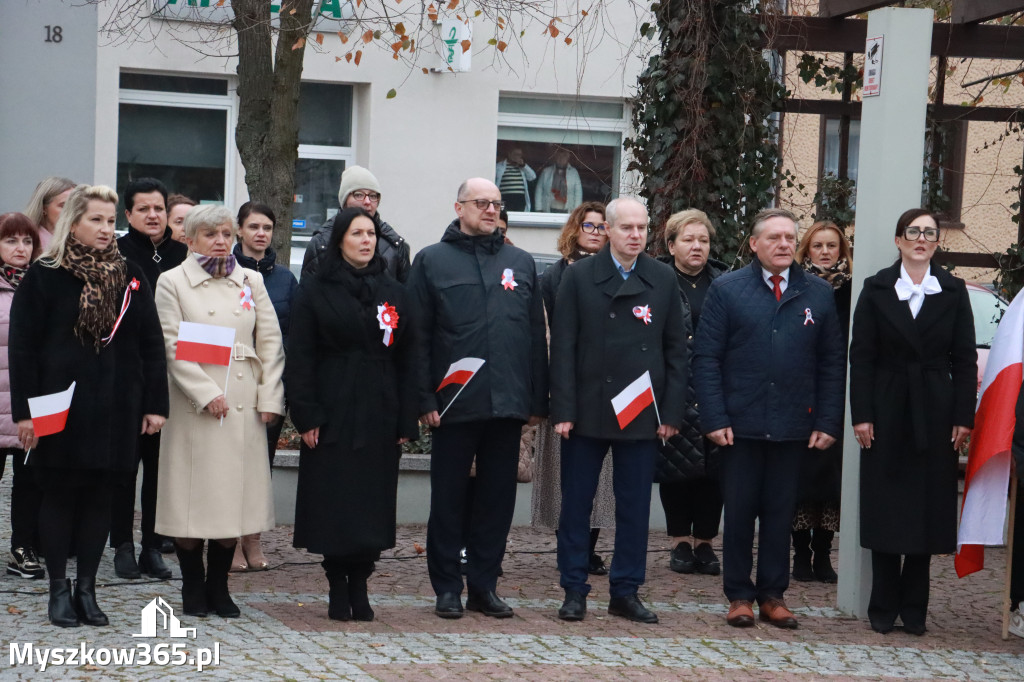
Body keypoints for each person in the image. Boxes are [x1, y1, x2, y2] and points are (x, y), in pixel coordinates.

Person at [9, 185, 168, 627]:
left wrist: (155, 404)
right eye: (94, 219)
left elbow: (151, 345)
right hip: (60, 406)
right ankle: (59, 589)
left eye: (108, 219)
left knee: (101, 498)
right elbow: (22, 348)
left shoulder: (131, 274)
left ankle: (87, 589)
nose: (104, 228)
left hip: (118, 405)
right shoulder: (46, 274)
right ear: (72, 222)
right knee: (60, 496)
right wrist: (24, 411)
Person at [693, 208, 844, 630]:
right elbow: (706, 358)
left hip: (795, 424)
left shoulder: (816, 292)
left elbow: (832, 362)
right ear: (754, 244)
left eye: (789, 237)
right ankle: (739, 595)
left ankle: (773, 596)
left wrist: (829, 420)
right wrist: (714, 416)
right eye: (774, 237)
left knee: (781, 513)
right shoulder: (727, 290)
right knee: (739, 512)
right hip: (738, 426)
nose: (783, 244)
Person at [408, 177, 547, 620]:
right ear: (459, 207)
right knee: (448, 501)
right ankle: (447, 587)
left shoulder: (521, 263)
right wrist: (424, 397)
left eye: (496, 203)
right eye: (481, 202)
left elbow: (533, 338)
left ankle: (484, 586)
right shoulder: (431, 261)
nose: (490, 209)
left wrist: (537, 400)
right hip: (453, 404)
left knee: (496, 501)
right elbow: (419, 337)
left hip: (508, 405)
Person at [550, 197, 689, 624]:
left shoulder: (663, 278)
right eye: (626, 227)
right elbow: (564, 347)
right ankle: (574, 588)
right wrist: (564, 409)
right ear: (606, 230)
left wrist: (669, 414)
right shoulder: (578, 277)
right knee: (577, 503)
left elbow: (675, 352)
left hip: (639, 407)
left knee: (634, 507)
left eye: (642, 228)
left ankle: (625, 590)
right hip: (588, 407)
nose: (635, 235)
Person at [849, 208, 976, 635]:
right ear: (899, 240)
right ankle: (882, 605)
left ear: (937, 242)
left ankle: (915, 608)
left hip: (936, 408)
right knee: (886, 505)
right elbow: (861, 358)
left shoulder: (954, 291)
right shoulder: (877, 288)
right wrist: (861, 414)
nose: (921, 239)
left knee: (926, 508)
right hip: (885, 406)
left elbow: (965, 357)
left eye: (929, 233)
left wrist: (963, 416)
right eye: (913, 232)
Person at [288, 207, 419, 622]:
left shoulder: (393, 290)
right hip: (333, 406)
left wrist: (405, 418)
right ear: (339, 239)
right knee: (334, 500)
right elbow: (301, 356)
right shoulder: (314, 288)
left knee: (371, 501)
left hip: (379, 408)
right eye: (357, 233)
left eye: (371, 234)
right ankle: (336, 583)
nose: (366, 240)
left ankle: (361, 580)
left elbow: (408, 358)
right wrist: (306, 414)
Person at [154, 204, 285, 619]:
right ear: (189, 239)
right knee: (195, 502)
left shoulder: (251, 279)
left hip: (243, 402)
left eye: (226, 233)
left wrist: (270, 398)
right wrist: (205, 392)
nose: (220, 241)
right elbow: (172, 345)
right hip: (196, 406)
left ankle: (219, 585)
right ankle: (193, 585)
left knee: (234, 502)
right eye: (210, 234)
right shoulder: (172, 282)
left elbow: (271, 342)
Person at [111, 177, 188, 581]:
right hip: (127, 374)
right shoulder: (118, 253)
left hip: (174, 374)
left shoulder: (182, 253)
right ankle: (121, 543)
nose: (153, 215)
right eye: (144, 209)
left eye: (158, 208)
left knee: (161, 469)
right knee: (125, 466)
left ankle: (152, 545)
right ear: (128, 215)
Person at [532, 201, 615, 576]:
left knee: (604, 476)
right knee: (570, 475)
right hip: (566, 386)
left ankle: (591, 547)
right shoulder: (554, 275)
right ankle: (571, 546)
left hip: (608, 388)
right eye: (589, 226)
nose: (595, 232)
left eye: (601, 226)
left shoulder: (621, 272)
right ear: (575, 230)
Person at [656, 209, 727, 576]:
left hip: (716, 385)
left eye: (703, 240)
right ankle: (680, 541)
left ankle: (706, 543)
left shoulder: (725, 281)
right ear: (671, 245)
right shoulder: (658, 280)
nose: (697, 246)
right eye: (688, 239)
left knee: (714, 470)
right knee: (676, 467)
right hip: (673, 386)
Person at [229, 201, 298, 572]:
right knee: (231, 465)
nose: (261, 234)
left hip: (270, 384)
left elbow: (292, 335)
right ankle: (229, 541)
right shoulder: (226, 272)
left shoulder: (286, 279)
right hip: (233, 381)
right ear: (239, 230)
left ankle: (252, 538)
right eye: (253, 226)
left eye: (267, 228)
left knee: (260, 468)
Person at [790, 220, 854, 583]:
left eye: (832, 246)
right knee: (800, 478)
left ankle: (823, 554)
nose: (826, 252)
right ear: (807, 251)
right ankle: (799, 554)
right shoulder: (797, 287)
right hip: (799, 391)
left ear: (842, 251)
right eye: (818, 246)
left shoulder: (853, 290)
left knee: (830, 480)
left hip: (839, 391)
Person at [0, 213, 45, 580]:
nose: (20, 248)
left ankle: (22, 548)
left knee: (30, 482)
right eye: (11, 240)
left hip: (32, 402)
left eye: (27, 241)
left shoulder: (43, 286)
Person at [302, 166, 411, 282]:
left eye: (373, 196)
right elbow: (307, 295)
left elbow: (405, 296)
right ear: (344, 200)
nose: (367, 202)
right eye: (359, 195)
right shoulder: (322, 243)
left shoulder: (394, 244)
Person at [23, 176, 75, 250]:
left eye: (74, 206)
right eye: (63, 206)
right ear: (44, 208)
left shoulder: (80, 242)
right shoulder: (28, 243)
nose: (71, 211)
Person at [534, 148, 583, 214]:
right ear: (555, 157)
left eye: (564, 156)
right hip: (549, 208)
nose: (561, 158)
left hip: (568, 209)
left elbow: (578, 193)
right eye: (559, 156)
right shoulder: (546, 171)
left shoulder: (573, 172)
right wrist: (538, 209)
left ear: (568, 158)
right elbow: (539, 190)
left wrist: (577, 210)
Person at [495, 147, 536, 212]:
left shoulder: (522, 167)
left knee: (519, 217)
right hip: (504, 198)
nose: (518, 156)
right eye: (516, 154)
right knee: (502, 215)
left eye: (520, 155)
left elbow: (532, 177)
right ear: (509, 154)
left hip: (519, 199)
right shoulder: (500, 166)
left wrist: (523, 165)